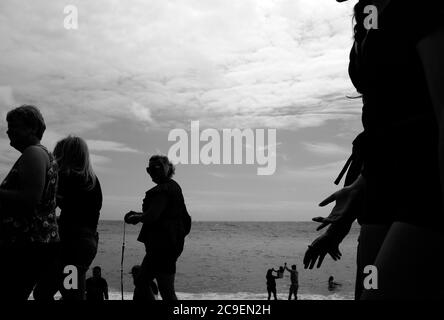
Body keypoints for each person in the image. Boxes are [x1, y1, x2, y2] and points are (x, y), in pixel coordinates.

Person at [303, 0, 444, 300]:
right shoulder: (368, 15)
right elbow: (380, 121)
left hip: (424, 176)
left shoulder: (419, 6)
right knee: (368, 288)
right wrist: (356, 192)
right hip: (379, 181)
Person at [0, 105, 59, 301]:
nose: (8, 130)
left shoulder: (33, 153)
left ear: (32, 128)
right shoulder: (42, 154)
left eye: (14, 125)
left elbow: (30, 198)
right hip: (35, 244)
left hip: (25, 245)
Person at [34, 136, 102, 300]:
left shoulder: (65, 176)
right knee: (71, 292)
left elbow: (46, 204)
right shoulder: (92, 181)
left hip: (71, 243)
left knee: (43, 293)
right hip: (87, 242)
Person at [125, 155, 189, 301]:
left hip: (164, 248)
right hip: (160, 248)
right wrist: (139, 214)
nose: (152, 172)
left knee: (166, 290)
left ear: (168, 169)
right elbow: (159, 215)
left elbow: (152, 216)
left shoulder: (165, 189)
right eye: (149, 169)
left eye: (157, 167)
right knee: (142, 281)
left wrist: (136, 217)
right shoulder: (170, 187)